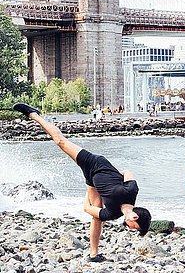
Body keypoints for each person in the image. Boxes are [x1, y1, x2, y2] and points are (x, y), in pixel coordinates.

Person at [13, 103, 152, 262]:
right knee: (60, 142)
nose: (132, 229)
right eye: (136, 228)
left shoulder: (113, 213)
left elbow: (86, 208)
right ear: (135, 217)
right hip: (96, 164)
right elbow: (127, 171)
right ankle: (33, 114)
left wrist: (90, 187)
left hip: (91, 181)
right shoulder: (131, 191)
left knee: (97, 217)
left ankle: (93, 255)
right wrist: (112, 175)